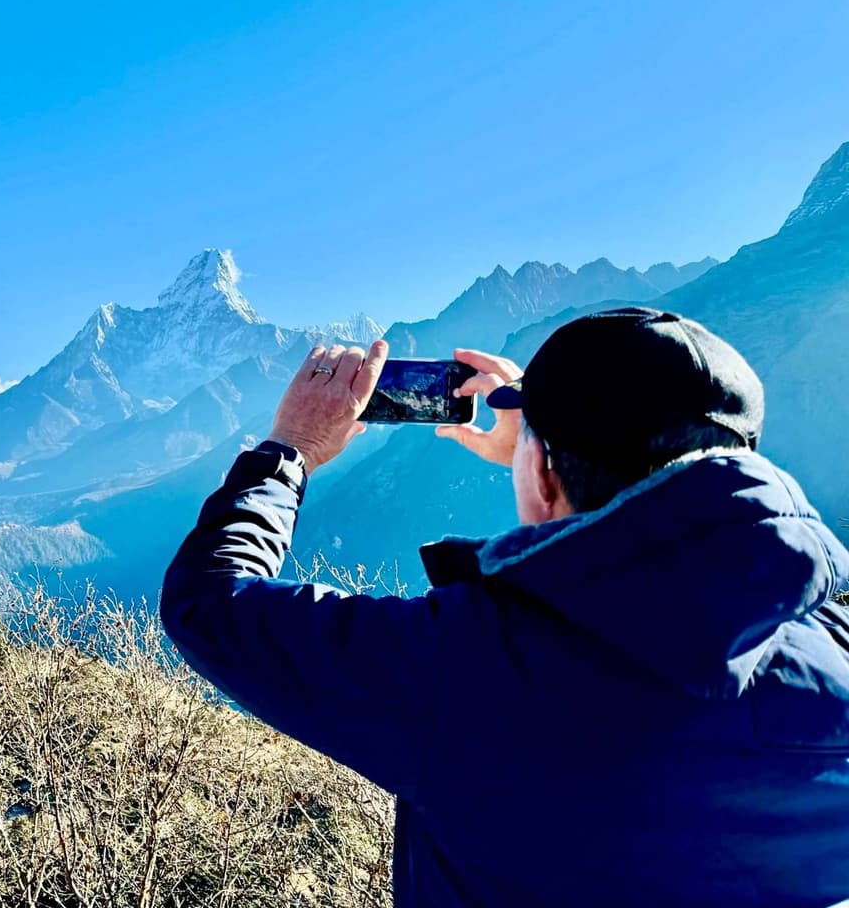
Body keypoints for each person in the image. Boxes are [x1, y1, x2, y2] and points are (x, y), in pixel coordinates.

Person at [160, 307, 849, 907]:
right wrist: (543, 462)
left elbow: (210, 601)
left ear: (543, 471)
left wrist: (291, 451)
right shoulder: (833, 653)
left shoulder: (465, 668)